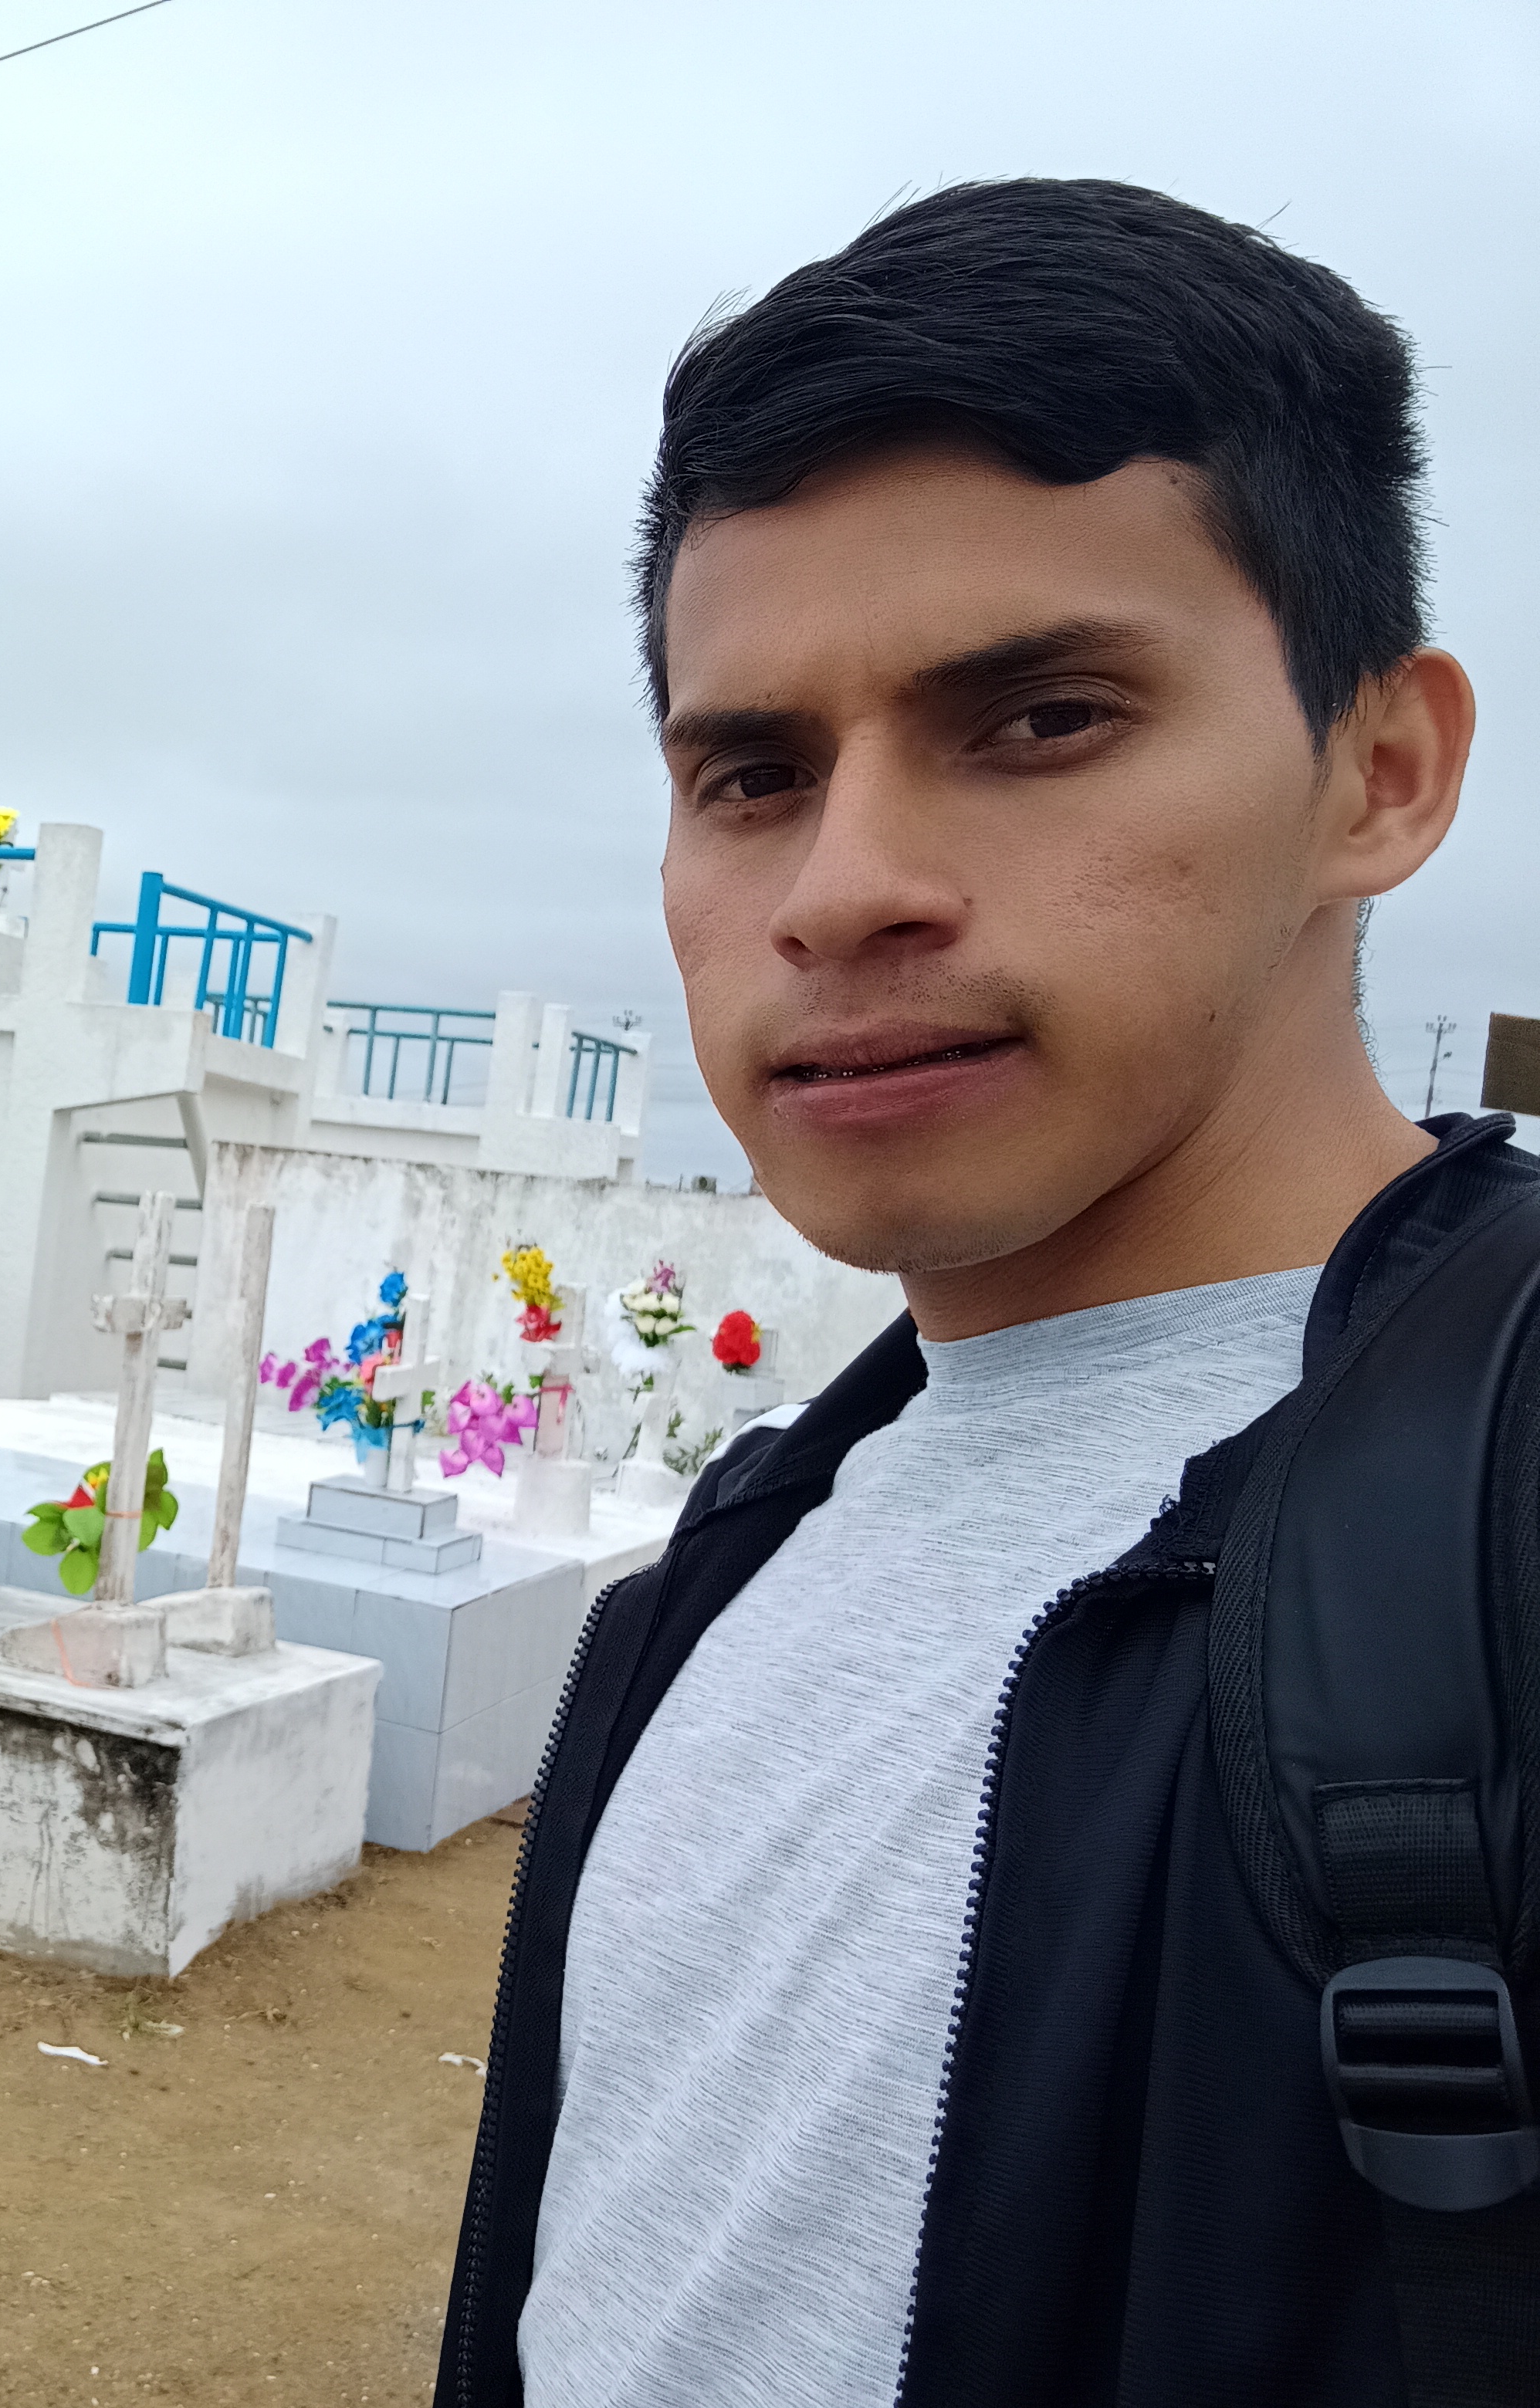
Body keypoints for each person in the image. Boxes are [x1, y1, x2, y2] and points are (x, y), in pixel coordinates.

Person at [439, 181, 1526, 2405]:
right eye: (753, 773)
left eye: (1040, 718)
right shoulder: (741, 1548)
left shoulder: (1492, 1562)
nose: (843, 889)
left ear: (1381, 771)